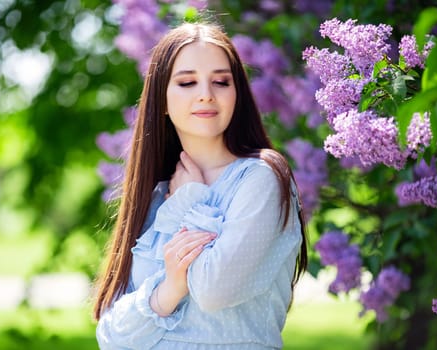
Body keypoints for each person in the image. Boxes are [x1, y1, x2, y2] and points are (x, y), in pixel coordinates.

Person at [93, 21, 307, 350]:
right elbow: (111, 335)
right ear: (161, 99)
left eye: (221, 81)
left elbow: (212, 290)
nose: (206, 93)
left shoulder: (261, 178)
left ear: (237, 94)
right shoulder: (156, 195)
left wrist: (192, 203)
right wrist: (168, 291)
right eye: (187, 82)